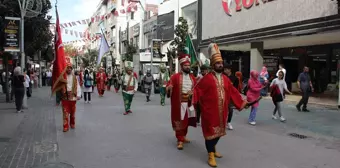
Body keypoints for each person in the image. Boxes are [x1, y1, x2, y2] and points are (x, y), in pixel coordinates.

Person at [194, 43, 251, 167]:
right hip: (209, 112)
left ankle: (213, 150)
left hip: (222, 112)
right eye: (218, 63)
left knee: (219, 132)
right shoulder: (206, 78)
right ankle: (210, 154)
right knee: (210, 133)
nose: (220, 65)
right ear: (213, 65)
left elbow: (233, 92)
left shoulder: (226, 79)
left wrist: (242, 102)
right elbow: (197, 91)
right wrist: (191, 99)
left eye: (221, 63)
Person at [166, 53, 197, 150]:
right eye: (185, 66)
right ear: (181, 66)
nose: (188, 67)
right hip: (180, 103)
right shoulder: (174, 77)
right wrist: (169, 88)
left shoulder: (192, 77)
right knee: (180, 120)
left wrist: (193, 92)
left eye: (188, 65)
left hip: (190, 102)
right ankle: (179, 139)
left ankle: (183, 136)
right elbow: (168, 86)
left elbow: (196, 88)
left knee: (187, 121)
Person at [60, 62, 81, 132]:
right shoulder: (62, 77)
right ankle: (65, 126)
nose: (68, 69)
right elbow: (59, 86)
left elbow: (78, 86)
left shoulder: (74, 78)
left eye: (70, 68)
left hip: (73, 97)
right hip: (65, 97)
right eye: (67, 68)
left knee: (72, 112)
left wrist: (78, 95)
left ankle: (72, 123)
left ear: (71, 69)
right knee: (65, 112)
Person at [223, 63, 239, 130]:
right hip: (223, 95)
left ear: (229, 70)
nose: (225, 71)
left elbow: (236, 89)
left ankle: (229, 122)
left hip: (230, 96)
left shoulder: (235, 78)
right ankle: (222, 123)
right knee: (222, 110)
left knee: (230, 109)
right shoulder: (222, 77)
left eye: (226, 69)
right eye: (224, 69)